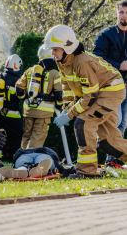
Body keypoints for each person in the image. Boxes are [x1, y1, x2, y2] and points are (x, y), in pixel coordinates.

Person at [46, 24, 127, 178]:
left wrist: (69, 115)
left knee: (83, 122)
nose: (52, 53)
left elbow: (90, 97)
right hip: (102, 93)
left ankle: (86, 172)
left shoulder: (82, 62)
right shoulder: (62, 61)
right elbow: (66, 85)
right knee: (108, 142)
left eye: (55, 49)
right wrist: (66, 107)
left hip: (111, 91)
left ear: (66, 48)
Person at [93, 0, 127, 169]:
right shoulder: (104, 35)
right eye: (121, 12)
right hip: (111, 88)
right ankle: (109, 161)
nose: (124, 16)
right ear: (116, 13)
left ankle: (113, 161)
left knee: (122, 125)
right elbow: (96, 61)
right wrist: (118, 65)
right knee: (115, 122)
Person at [15, 45, 63, 149]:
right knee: (37, 137)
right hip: (44, 113)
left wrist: (25, 97)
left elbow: (19, 88)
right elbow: (59, 94)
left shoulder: (30, 71)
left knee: (26, 136)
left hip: (28, 111)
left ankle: (21, 160)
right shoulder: (55, 73)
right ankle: (29, 161)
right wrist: (59, 106)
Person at [0, 54, 24, 161]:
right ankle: (18, 161)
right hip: (13, 117)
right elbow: (23, 97)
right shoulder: (19, 81)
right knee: (18, 139)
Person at [0, 147, 66, 179]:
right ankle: (41, 171)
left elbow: (15, 158)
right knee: (44, 162)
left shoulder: (22, 150)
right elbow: (55, 160)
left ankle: (21, 170)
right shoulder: (46, 149)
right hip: (42, 154)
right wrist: (57, 167)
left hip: (25, 154)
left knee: (22, 164)